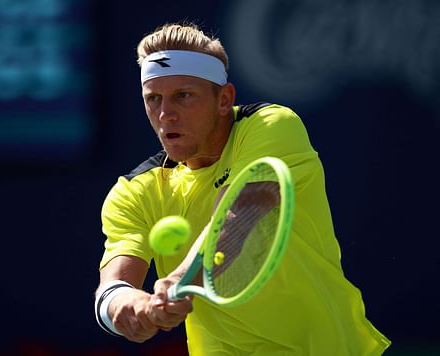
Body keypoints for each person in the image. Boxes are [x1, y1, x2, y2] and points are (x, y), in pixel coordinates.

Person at [94, 22, 391, 355]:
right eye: (153, 99)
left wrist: (180, 280)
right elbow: (112, 288)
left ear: (224, 100)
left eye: (183, 96)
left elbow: (239, 216)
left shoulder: (271, 126)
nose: (166, 115)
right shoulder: (136, 191)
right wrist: (131, 307)